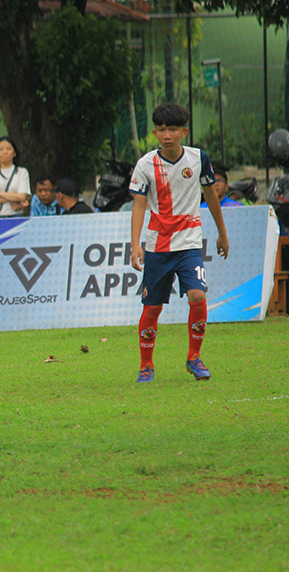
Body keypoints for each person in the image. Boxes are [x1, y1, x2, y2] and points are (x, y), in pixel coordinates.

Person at [129, 103, 229, 384]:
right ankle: (146, 365)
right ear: (154, 132)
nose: (167, 135)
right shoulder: (145, 164)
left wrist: (222, 233)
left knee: (197, 296)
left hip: (188, 244)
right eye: (161, 129)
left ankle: (194, 358)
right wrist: (136, 244)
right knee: (152, 308)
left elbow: (211, 197)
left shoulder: (198, 159)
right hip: (158, 246)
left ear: (184, 131)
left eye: (173, 129)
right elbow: (138, 206)